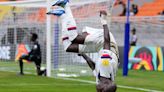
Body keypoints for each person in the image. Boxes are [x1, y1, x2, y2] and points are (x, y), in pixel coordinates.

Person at [47, 0, 119, 59]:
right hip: (104, 40)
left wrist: (84, 55)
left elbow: (94, 68)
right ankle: (66, 5)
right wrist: (104, 21)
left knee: (68, 47)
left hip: (98, 48)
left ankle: (63, 16)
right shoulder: (109, 66)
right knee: (74, 38)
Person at [79, 10, 118, 92]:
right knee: (105, 40)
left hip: (104, 53)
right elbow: (107, 40)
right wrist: (103, 20)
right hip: (112, 49)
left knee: (72, 44)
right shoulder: (106, 63)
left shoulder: (98, 79)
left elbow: (92, 66)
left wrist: (83, 55)